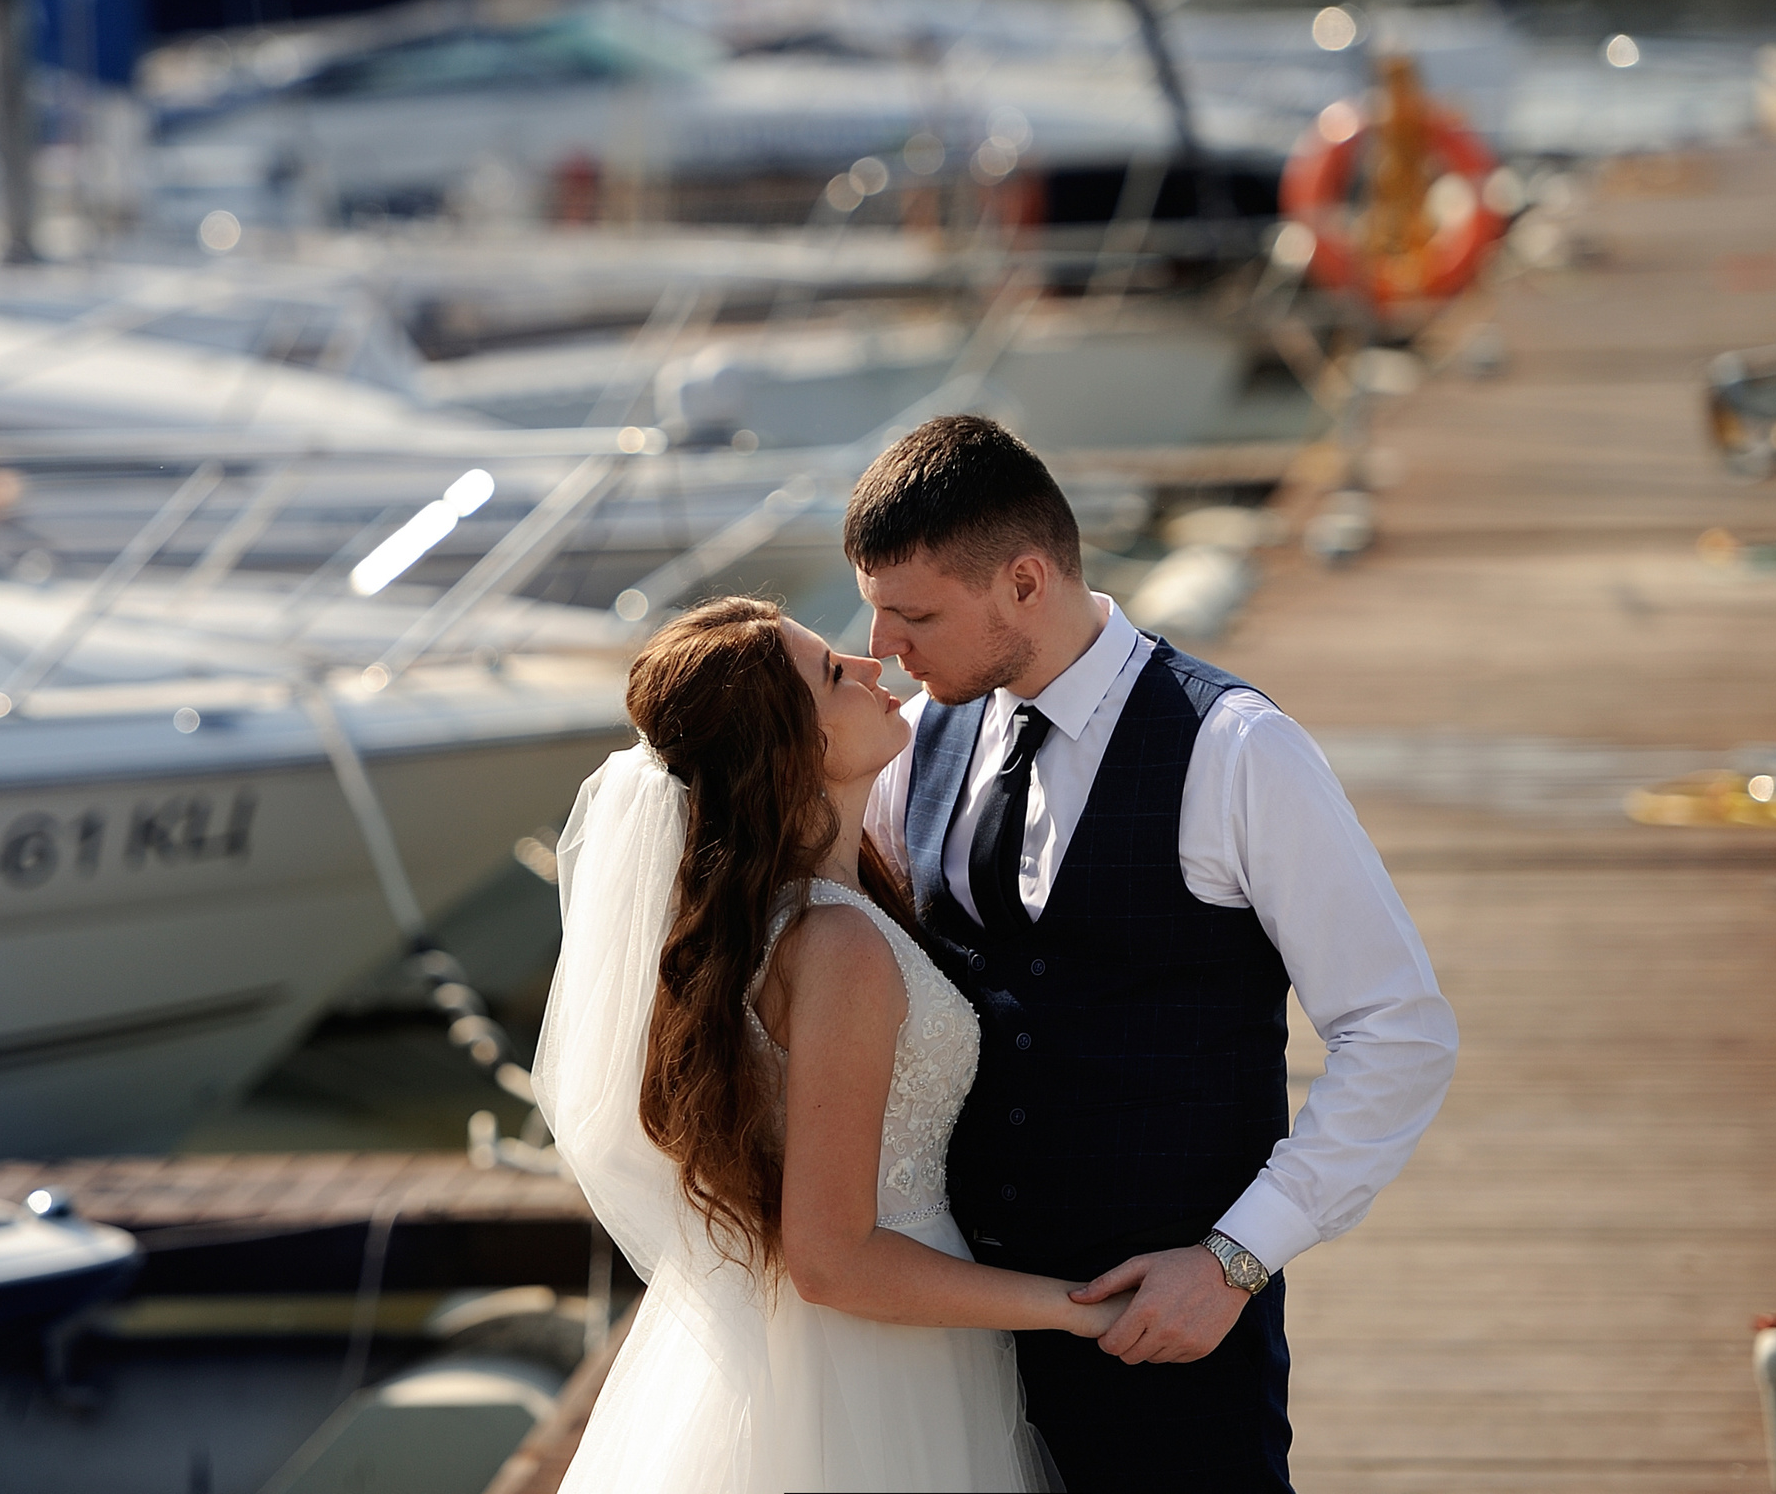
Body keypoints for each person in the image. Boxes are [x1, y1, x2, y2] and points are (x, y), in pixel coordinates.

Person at [848, 415, 1460, 1493]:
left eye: (913, 614)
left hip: (1170, 1346)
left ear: (1024, 583)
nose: (882, 645)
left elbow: (1398, 1032)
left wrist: (1236, 1259)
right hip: (955, 1346)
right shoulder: (921, 745)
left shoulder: (1235, 750)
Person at [538, 596, 1117, 1493]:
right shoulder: (837, 946)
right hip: (875, 1364)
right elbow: (833, 1257)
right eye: (835, 674)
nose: (873, 668)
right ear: (795, 749)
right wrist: (1072, 1310)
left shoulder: (804, 917)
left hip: (834, 1350)